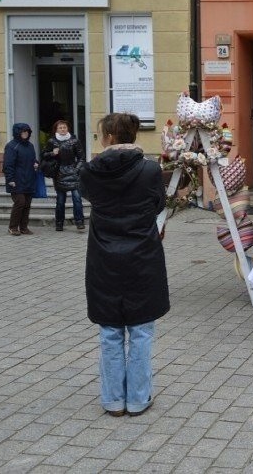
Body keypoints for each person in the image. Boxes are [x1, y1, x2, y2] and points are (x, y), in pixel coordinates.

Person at [79, 113, 169, 417]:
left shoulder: (90, 172)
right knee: (141, 331)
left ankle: (113, 400)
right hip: (142, 257)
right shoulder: (150, 170)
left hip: (104, 257)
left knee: (110, 331)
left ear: (109, 137)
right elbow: (158, 204)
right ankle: (139, 399)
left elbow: (87, 195)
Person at [42, 120, 85, 231]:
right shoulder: (52, 141)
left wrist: (76, 169)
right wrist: (52, 153)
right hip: (59, 172)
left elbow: (81, 157)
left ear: (67, 129)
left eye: (64, 127)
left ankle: (79, 222)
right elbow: (44, 155)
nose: (62, 129)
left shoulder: (75, 141)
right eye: (60, 128)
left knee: (77, 198)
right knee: (60, 200)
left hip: (72, 171)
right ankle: (59, 223)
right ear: (56, 129)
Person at [2, 123, 39, 236]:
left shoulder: (30, 146)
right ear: (17, 132)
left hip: (29, 179)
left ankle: (23, 227)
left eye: (27, 131)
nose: (25, 133)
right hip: (16, 180)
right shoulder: (11, 146)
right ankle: (12, 227)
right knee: (20, 202)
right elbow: (8, 165)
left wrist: (36, 163)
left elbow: (34, 159)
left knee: (27, 204)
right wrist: (10, 179)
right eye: (23, 131)